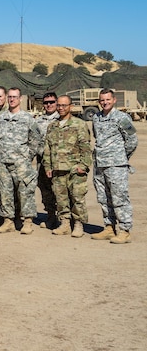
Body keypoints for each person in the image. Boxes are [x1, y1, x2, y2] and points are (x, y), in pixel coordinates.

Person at [91, 88, 138, 244]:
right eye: (102, 100)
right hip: (99, 164)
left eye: (107, 100)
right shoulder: (96, 118)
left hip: (116, 165)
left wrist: (121, 157)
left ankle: (125, 230)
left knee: (119, 198)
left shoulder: (122, 117)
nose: (105, 102)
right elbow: (97, 137)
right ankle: (109, 227)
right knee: (103, 198)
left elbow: (132, 140)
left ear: (114, 100)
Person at [43, 95, 91, 238]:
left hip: (75, 169)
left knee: (77, 198)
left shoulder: (79, 124)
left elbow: (86, 147)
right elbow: (48, 148)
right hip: (57, 169)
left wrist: (84, 165)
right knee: (61, 198)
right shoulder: (52, 126)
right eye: (59, 105)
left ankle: (78, 224)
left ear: (71, 106)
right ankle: (64, 223)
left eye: (64, 105)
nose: (61, 108)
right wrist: (48, 166)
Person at [0, 88, 41, 234]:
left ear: (20, 99)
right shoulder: (0, 118)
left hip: (21, 163)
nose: (12, 99)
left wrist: (27, 157)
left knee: (25, 192)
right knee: (5, 192)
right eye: (10, 97)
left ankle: (27, 221)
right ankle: (8, 220)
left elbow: (35, 140)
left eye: (15, 97)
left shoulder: (27, 119)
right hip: (3, 162)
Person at [35, 92, 60, 227]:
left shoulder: (61, 119)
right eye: (46, 102)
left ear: (57, 103)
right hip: (42, 162)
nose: (49, 105)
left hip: (59, 162)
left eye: (51, 102)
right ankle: (51, 217)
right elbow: (34, 140)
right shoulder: (38, 121)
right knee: (46, 190)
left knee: (61, 192)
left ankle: (66, 220)